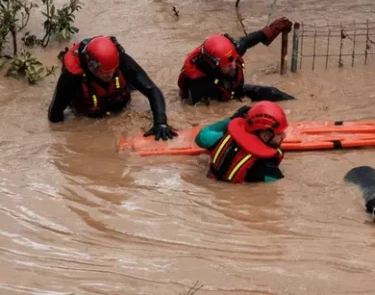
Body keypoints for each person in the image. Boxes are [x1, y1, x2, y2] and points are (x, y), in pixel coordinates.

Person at [48, 35, 177, 141]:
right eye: (104, 72)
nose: (109, 75)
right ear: (91, 66)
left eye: (112, 70)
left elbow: (152, 90)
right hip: (89, 113)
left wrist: (160, 122)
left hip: (119, 103)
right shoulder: (71, 76)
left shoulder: (121, 60)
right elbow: (55, 115)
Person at [177, 17, 296, 105]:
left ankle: (297, 102)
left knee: (273, 93)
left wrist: (273, 29)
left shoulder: (231, 51)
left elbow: (249, 40)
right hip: (221, 97)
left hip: (235, 90)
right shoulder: (199, 85)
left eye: (234, 61)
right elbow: (203, 114)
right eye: (228, 65)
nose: (234, 66)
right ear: (214, 66)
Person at [195, 101, 288, 184]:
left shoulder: (225, 138)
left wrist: (232, 119)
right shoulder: (268, 170)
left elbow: (201, 137)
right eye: (280, 133)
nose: (284, 136)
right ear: (265, 136)